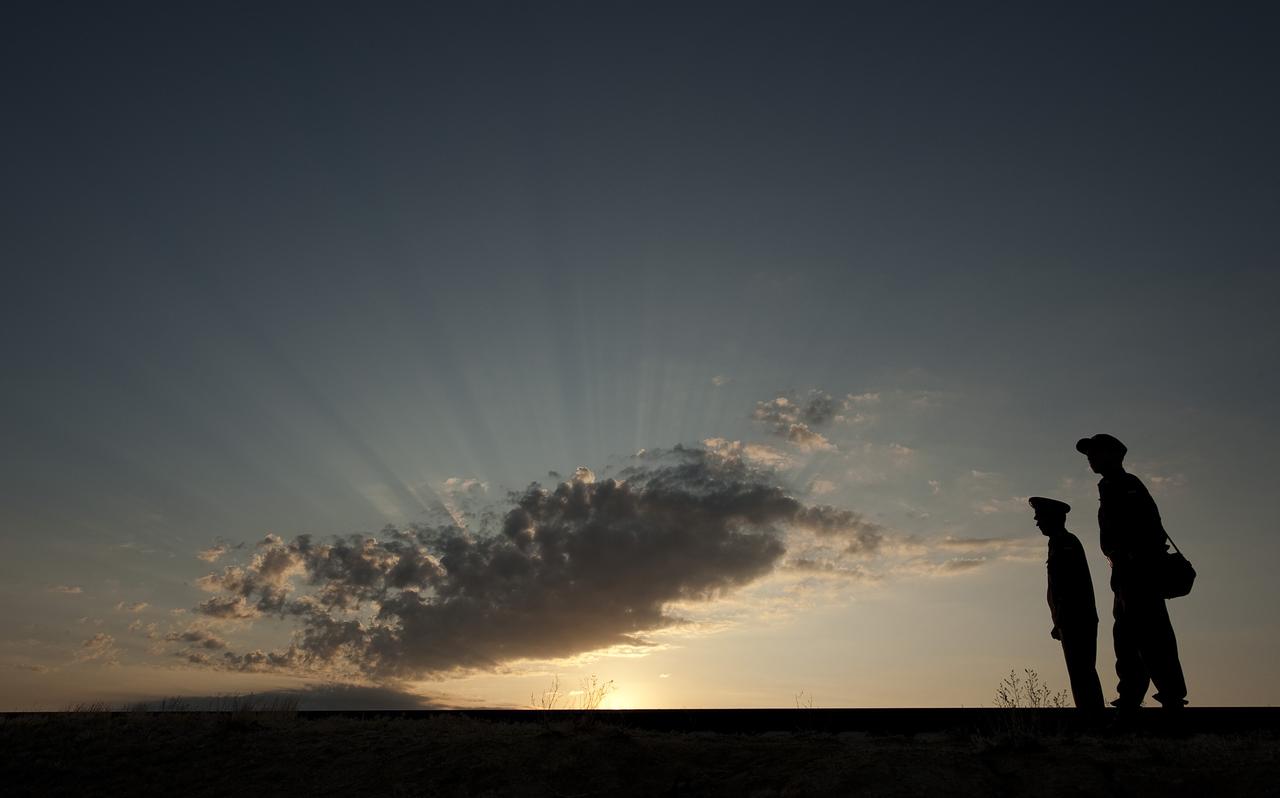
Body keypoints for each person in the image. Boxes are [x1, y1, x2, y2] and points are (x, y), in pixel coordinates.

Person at [1076, 433, 1188, 711]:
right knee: (1126, 637)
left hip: (1140, 572)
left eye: (1095, 452)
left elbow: (1150, 529)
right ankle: (1130, 697)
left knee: (1152, 635)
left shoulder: (1127, 486)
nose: (1090, 458)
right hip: (1124, 573)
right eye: (1089, 453)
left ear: (1113, 455)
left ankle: (1171, 696)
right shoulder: (1111, 486)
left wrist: (1135, 558)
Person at [1029, 496, 1104, 714]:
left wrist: (1062, 618)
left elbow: (1070, 587)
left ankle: (1092, 718)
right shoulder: (1059, 543)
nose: (1037, 521)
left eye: (1040, 516)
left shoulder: (1066, 543)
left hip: (1077, 619)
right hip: (1071, 619)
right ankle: (1090, 716)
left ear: (1052, 518)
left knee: (1082, 671)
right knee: (1080, 672)